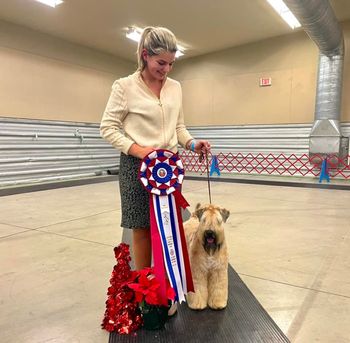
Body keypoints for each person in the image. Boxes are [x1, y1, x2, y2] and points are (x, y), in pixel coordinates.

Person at [100, 27, 210, 305]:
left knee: (168, 228)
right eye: (161, 62)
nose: (167, 68)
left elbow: (179, 127)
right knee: (141, 228)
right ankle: (146, 288)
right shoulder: (123, 86)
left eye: (172, 63)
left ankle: (168, 287)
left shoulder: (176, 87)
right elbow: (108, 128)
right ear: (145, 56)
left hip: (169, 169)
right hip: (136, 167)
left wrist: (193, 143)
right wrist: (140, 150)